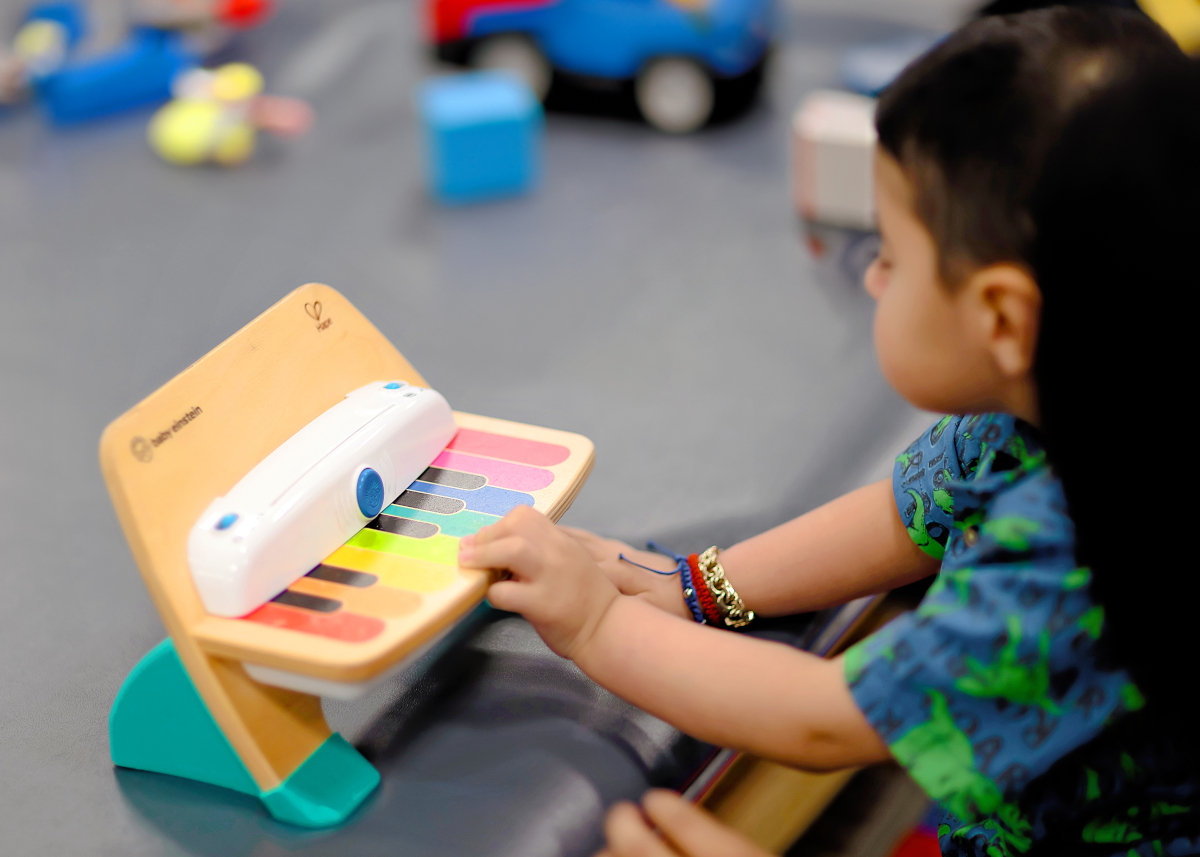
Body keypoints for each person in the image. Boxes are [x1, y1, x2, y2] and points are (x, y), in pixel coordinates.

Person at [458, 9, 1197, 856]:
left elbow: (829, 720)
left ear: (1001, 315)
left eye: (892, 252)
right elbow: (907, 515)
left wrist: (597, 627)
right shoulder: (1064, 405)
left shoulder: (1071, 555)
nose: (873, 276)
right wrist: (698, 587)